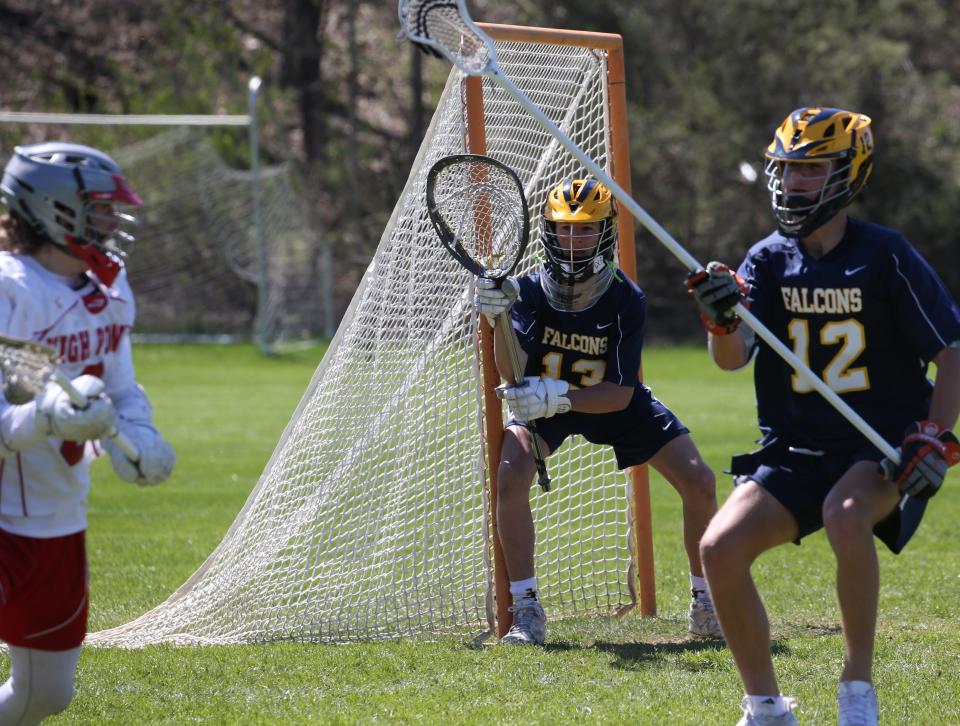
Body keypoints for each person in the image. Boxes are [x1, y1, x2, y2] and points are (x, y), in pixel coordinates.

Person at [686, 107, 960, 726]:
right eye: (786, 168)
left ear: (848, 172)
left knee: (845, 514)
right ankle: (765, 707)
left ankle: (857, 689)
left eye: (810, 169)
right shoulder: (765, 259)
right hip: (794, 447)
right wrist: (720, 319)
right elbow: (732, 360)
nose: (793, 182)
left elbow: (950, 350)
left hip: (878, 446)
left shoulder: (884, 254)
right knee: (718, 548)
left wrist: (934, 437)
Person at [475, 176, 720, 645]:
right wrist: (497, 319)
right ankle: (526, 609)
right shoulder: (525, 292)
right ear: (548, 230)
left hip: (603, 399)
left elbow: (622, 395)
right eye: (564, 228)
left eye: (585, 229)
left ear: (607, 232)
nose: (573, 239)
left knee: (700, 481)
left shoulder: (627, 298)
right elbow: (514, 373)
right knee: (510, 472)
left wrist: (561, 395)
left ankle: (706, 604)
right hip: (546, 402)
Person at [0, 142, 175, 724]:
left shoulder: (108, 284)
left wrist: (140, 434)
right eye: (101, 208)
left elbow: (120, 383)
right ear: (55, 210)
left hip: (55, 514)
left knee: (45, 694)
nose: (112, 221)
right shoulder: (10, 288)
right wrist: (43, 417)